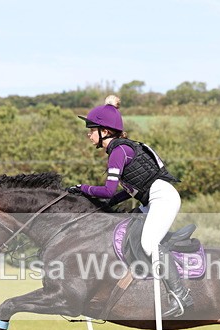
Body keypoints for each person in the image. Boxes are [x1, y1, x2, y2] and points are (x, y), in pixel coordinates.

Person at [70, 95, 194, 318]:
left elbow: (107, 191)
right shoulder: (121, 150)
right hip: (153, 199)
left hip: (162, 199)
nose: (88, 134)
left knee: (148, 243)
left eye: (91, 129)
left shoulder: (119, 152)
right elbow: (121, 194)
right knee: (126, 228)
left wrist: (83, 188)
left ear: (105, 132)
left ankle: (181, 295)